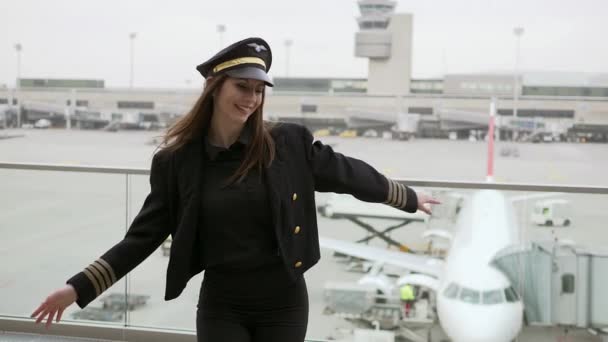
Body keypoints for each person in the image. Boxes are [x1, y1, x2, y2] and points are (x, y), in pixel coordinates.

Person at [30, 37, 440, 342]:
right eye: (242, 86)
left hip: (285, 301)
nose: (251, 98)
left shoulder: (288, 144)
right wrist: (77, 288)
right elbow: (142, 237)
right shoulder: (177, 162)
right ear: (216, 87)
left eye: (258, 90)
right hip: (223, 303)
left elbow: (346, 173)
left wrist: (406, 197)